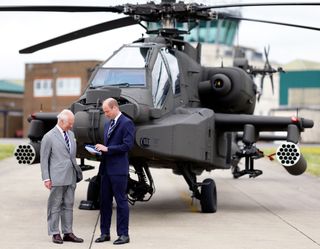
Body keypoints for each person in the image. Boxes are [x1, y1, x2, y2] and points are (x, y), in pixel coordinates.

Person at [94, 98, 135, 245]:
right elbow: (108, 146)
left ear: (115, 108)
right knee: (105, 202)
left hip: (118, 170)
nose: (105, 114)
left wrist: (108, 149)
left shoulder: (126, 123)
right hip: (106, 169)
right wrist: (99, 149)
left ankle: (124, 234)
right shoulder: (108, 124)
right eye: (104, 112)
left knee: (121, 202)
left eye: (107, 111)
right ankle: (105, 233)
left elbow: (128, 146)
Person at [40, 109, 83, 244]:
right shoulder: (49, 136)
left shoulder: (71, 134)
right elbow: (44, 159)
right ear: (62, 121)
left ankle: (68, 232)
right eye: (70, 123)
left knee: (69, 205)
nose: (71, 126)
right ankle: (54, 232)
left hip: (71, 176)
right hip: (56, 177)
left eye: (72, 123)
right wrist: (46, 178)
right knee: (55, 205)